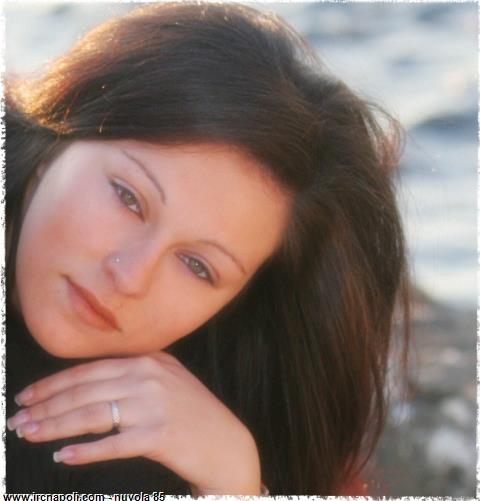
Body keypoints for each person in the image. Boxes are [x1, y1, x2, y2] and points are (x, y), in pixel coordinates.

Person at [5, 1, 410, 495]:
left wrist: (235, 480)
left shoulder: (195, 436)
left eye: (197, 266)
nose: (130, 277)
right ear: (55, 141)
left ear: (240, 301)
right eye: (129, 198)